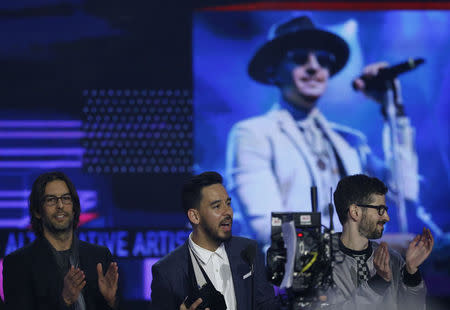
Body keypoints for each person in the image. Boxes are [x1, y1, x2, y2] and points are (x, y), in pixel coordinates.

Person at [226, 15, 419, 244]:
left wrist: (393, 111)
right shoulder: (253, 134)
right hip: (290, 279)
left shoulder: (349, 142)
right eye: (299, 58)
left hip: (355, 279)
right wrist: (370, 249)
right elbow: (271, 231)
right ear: (273, 71)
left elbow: (402, 199)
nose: (314, 67)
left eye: (324, 60)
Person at [150, 171, 280, 310]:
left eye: (228, 203)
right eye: (217, 206)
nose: (228, 212)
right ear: (194, 216)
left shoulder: (248, 252)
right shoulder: (167, 272)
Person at [2, 171, 119, 310]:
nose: (60, 206)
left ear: (74, 208)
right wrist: (64, 301)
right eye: (51, 200)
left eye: (66, 198)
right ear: (37, 211)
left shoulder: (100, 256)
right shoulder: (18, 264)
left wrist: (111, 302)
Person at [323, 174, 433, 309]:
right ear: (355, 212)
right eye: (380, 210)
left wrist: (411, 274)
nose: (387, 218)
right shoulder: (323, 262)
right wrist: (378, 283)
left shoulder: (393, 259)